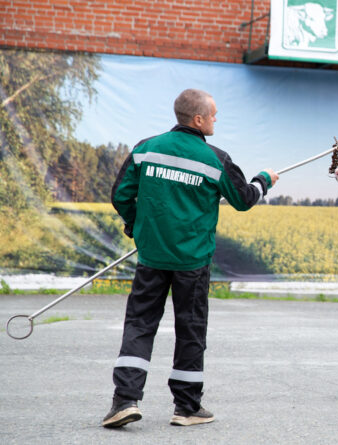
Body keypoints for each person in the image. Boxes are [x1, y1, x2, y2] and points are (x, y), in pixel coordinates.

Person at [103, 88, 279, 428]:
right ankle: (186, 407)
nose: (216, 119)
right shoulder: (215, 159)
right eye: (213, 114)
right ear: (198, 119)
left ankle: (124, 400)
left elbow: (121, 194)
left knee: (140, 325)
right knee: (190, 330)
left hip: (152, 256)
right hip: (193, 263)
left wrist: (135, 225)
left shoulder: (145, 148)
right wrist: (264, 181)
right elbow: (243, 199)